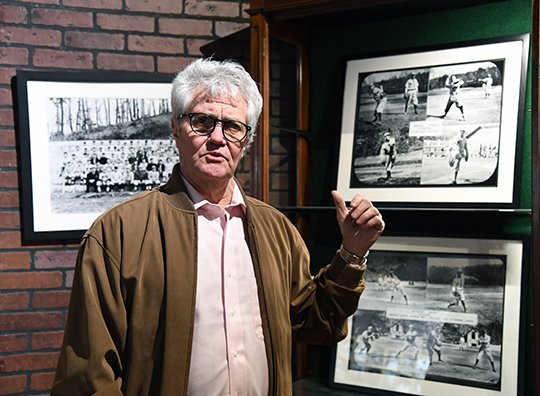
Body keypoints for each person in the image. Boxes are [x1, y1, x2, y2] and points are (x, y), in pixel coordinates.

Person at [51, 58, 385, 396]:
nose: (217, 138)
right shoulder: (117, 233)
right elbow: (88, 376)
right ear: (175, 128)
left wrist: (352, 254)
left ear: (246, 140)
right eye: (202, 121)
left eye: (233, 127)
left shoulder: (276, 230)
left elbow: (317, 324)